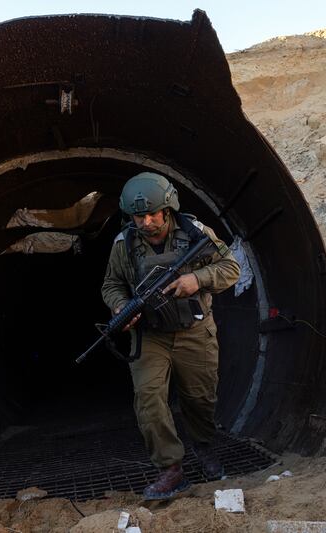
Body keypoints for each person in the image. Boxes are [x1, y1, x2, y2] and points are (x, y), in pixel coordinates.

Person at [101, 172, 240, 500]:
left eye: (152, 214)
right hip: (150, 335)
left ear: (168, 209)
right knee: (149, 400)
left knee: (200, 399)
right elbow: (111, 284)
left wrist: (198, 278)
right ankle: (170, 469)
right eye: (139, 216)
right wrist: (121, 305)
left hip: (195, 330)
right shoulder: (124, 245)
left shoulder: (196, 232)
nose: (146, 222)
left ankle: (204, 448)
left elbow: (231, 268)